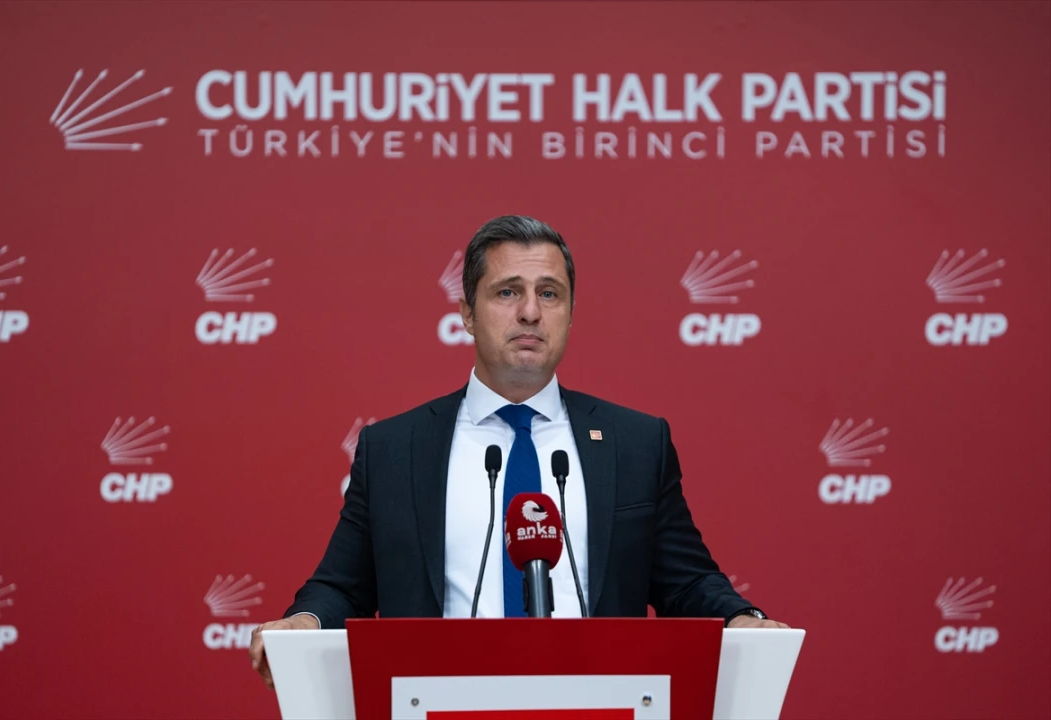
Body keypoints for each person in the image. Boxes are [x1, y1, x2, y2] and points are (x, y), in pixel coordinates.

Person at [250, 215, 788, 688]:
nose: (530, 311)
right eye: (508, 292)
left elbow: (687, 582)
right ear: (467, 312)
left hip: (599, 703)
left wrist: (744, 619)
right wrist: (303, 622)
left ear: (570, 314)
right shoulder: (395, 449)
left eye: (549, 294)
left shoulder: (636, 443)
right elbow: (342, 587)